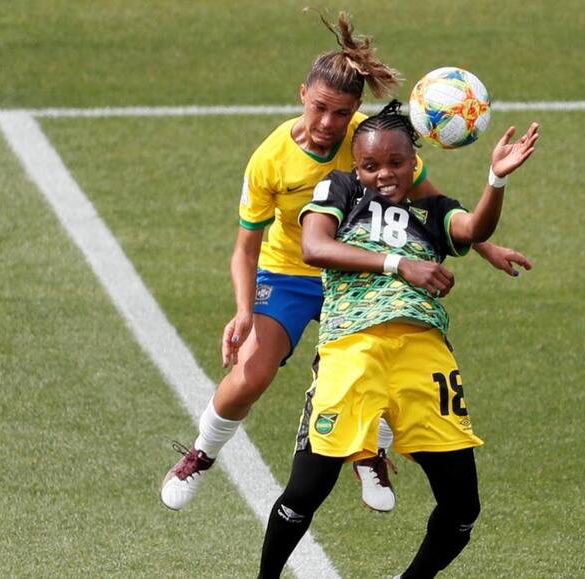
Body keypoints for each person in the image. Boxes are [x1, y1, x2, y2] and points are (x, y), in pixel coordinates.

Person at [160, 11, 531, 514]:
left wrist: (486, 247)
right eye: (320, 108)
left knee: (380, 357)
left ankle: (369, 453)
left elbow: (432, 201)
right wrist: (245, 311)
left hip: (363, 273)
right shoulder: (270, 159)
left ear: (357, 109)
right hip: (293, 272)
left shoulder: (369, 141)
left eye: (342, 112)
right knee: (252, 374)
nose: (329, 124)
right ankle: (202, 453)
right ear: (301, 96)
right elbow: (245, 248)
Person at [257, 100, 540, 577]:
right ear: (356, 166)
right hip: (351, 350)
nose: (382, 174)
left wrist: (496, 180)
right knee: (305, 492)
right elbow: (315, 246)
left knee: (462, 508)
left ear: (415, 163)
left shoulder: (433, 211)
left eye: (394, 163)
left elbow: (473, 229)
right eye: (369, 164)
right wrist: (398, 264)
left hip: (424, 358)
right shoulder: (341, 188)